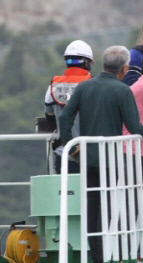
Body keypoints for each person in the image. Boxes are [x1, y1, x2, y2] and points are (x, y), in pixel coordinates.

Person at [60, 45, 143, 263]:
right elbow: (133, 125)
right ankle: (114, 256)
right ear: (125, 68)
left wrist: (71, 148)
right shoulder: (122, 91)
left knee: (93, 207)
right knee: (112, 206)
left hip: (88, 159)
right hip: (112, 161)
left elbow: (65, 118)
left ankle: (97, 259)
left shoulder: (84, 87)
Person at [44, 40, 94, 174]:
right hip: (91, 155)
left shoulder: (53, 87)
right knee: (92, 194)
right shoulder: (94, 85)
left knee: (68, 194)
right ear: (88, 62)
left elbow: (49, 117)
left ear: (66, 61)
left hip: (64, 154)